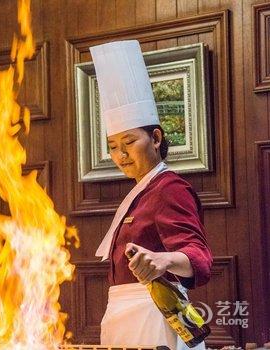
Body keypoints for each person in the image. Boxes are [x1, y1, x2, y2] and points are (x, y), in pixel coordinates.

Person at [89, 40, 213, 350]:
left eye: (129, 142)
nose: (120, 155)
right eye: (113, 146)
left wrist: (164, 260)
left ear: (155, 138)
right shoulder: (140, 191)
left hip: (152, 319)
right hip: (124, 317)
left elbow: (199, 257)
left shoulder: (169, 188)